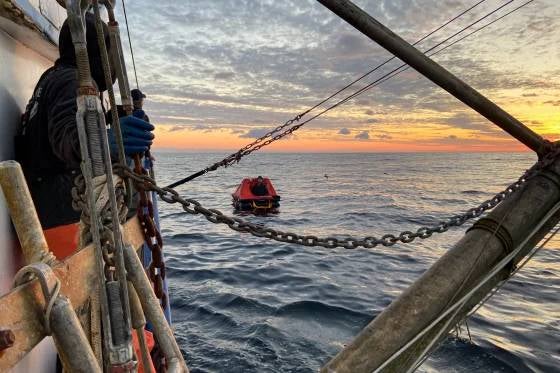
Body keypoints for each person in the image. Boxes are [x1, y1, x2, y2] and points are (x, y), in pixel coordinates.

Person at [16, 13, 154, 259]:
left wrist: (113, 117)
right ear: (96, 52)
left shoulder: (53, 76)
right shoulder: (73, 81)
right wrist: (110, 140)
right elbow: (67, 139)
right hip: (61, 219)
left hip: (45, 208)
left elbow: (63, 124)